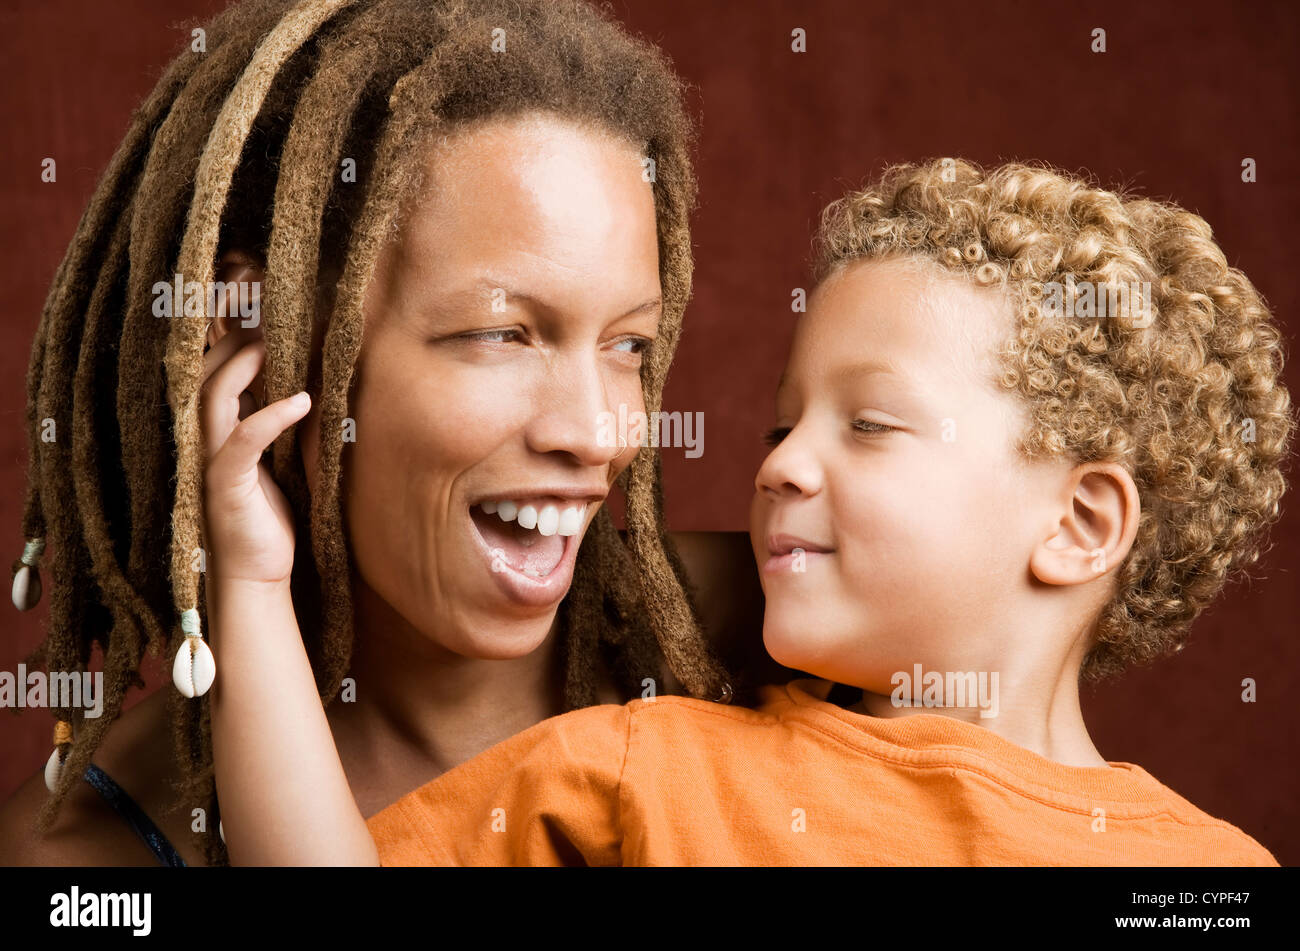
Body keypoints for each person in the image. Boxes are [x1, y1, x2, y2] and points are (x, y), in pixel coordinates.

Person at [218, 159, 1288, 865]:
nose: (781, 467)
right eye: (781, 430)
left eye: (867, 425)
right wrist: (254, 587)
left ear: (1081, 523)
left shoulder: (1207, 872)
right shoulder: (648, 771)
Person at [0, 0, 746, 867]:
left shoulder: (756, 631)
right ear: (259, 332)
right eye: (502, 334)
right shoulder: (85, 861)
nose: (598, 433)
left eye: (629, 344)